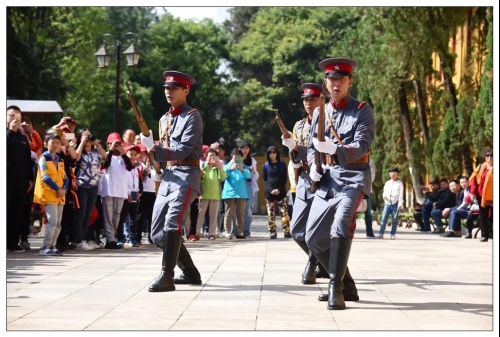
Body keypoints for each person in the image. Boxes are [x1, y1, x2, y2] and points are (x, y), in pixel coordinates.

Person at [283, 58, 374, 310]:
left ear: (349, 82)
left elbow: (363, 145)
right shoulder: (320, 114)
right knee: (312, 238)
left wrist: (336, 149)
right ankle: (348, 285)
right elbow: (312, 150)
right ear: (326, 82)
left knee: (340, 226)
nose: (336, 83)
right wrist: (304, 157)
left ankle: (335, 287)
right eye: (332, 79)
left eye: (341, 79)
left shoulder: (362, 109)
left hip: (353, 177)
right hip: (328, 179)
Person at [140, 70, 203, 292]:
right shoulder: (164, 119)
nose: (169, 91)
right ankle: (191, 272)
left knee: (172, 224)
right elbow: (162, 152)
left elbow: (183, 149)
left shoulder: (192, 116)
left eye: (175, 88)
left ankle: (167, 275)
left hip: (187, 175)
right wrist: (152, 154)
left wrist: (154, 149)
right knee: (157, 234)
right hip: (168, 176)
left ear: (186, 90)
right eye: (167, 88)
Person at [288, 83, 327, 284]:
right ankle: (324, 261)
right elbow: (298, 152)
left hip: (323, 179)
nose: (309, 103)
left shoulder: (329, 122)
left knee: (315, 229)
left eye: (313, 99)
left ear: (322, 99)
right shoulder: (299, 125)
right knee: (296, 231)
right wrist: (292, 150)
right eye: (305, 99)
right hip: (304, 178)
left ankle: (312, 265)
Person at [33, 133, 69, 256]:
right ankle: (45, 246)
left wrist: (64, 188)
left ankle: (52, 246)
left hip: (60, 195)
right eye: (52, 142)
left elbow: (65, 177)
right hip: (50, 194)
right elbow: (45, 176)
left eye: (57, 143)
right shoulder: (43, 158)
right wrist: (57, 189)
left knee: (58, 223)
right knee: (52, 221)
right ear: (46, 143)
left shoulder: (60, 160)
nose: (55, 145)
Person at [73, 128, 107, 250]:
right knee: (81, 213)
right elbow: (75, 158)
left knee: (88, 214)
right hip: (82, 185)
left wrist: (96, 143)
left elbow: (105, 156)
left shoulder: (95, 152)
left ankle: (85, 238)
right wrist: (82, 142)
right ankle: (79, 240)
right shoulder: (80, 151)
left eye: (89, 136)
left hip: (94, 185)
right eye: (84, 136)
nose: (87, 138)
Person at [7, 106, 35, 252]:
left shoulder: (23, 137)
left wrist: (30, 179)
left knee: (17, 212)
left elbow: (27, 159)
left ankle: (12, 243)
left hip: (21, 180)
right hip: (7, 178)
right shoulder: (7, 134)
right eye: (11, 116)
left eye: (17, 118)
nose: (15, 121)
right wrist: (10, 131)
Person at [196, 148, 227, 240]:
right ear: (206, 157)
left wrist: (220, 167)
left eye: (214, 156)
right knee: (200, 214)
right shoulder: (203, 166)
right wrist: (207, 165)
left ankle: (212, 233)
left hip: (215, 195)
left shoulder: (217, 168)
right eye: (210, 156)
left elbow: (224, 177)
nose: (212, 158)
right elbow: (199, 174)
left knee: (214, 215)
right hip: (204, 194)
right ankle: (197, 232)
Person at [222, 148, 252, 239]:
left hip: (241, 194)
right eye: (235, 157)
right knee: (228, 213)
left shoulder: (245, 167)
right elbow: (223, 176)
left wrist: (242, 169)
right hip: (229, 194)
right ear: (232, 157)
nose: (237, 159)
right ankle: (227, 232)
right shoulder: (226, 166)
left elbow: (248, 176)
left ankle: (240, 232)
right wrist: (231, 168)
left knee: (240, 214)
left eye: (239, 157)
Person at [262, 145, 291, 239]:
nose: (272, 154)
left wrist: (279, 189)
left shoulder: (282, 164)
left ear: (277, 153)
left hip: (281, 193)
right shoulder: (265, 165)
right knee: (271, 214)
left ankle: (286, 231)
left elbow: (284, 179)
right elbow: (264, 180)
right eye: (270, 153)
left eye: (274, 152)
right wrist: (271, 190)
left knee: (284, 213)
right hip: (269, 194)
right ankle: (272, 232)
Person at [469, 148, 493, 242]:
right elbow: (474, 180)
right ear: (484, 157)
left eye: (492, 155)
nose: (489, 157)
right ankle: (484, 235)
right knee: (483, 216)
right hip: (482, 195)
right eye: (487, 155)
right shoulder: (480, 167)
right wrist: (472, 193)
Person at [375, 166, 404, 239]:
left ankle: (392, 234)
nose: (392, 174)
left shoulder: (400, 184)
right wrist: (384, 196)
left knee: (394, 219)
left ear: (397, 174)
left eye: (394, 173)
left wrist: (400, 204)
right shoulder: (387, 183)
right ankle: (381, 233)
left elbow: (401, 195)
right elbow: (384, 192)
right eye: (391, 173)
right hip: (387, 203)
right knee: (384, 218)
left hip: (395, 203)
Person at [364, 158, 376, 238]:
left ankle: (369, 232)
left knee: (368, 213)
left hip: (367, 190)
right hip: (355, 190)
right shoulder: (354, 158)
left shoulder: (370, 161)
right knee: (352, 212)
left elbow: (372, 176)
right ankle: (350, 233)